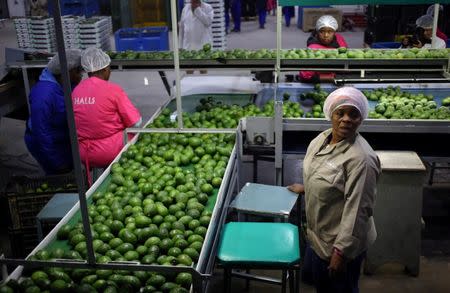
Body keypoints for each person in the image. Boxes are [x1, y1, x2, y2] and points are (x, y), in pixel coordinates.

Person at [288, 87, 381, 293]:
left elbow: (358, 210)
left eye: (353, 114)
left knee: (341, 288)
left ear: (361, 119)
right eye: (341, 113)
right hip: (317, 235)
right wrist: (307, 188)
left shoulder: (361, 160)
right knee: (322, 285)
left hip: (339, 243)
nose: (346, 119)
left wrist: (341, 252)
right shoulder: (322, 139)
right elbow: (327, 177)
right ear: (331, 114)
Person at [72, 48, 141, 183]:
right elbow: (136, 122)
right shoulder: (113, 90)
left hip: (83, 152)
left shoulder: (76, 91)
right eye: (109, 69)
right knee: (136, 134)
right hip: (110, 151)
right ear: (104, 69)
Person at [24, 49, 82, 175]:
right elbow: (41, 133)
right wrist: (57, 163)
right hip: (46, 143)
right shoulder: (43, 95)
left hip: (62, 137)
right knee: (59, 176)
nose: (81, 75)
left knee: (72, 170)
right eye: (79, 71)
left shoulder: (68, 83)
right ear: (68, 71)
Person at [299, 15, 348, 83]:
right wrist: (331, 78)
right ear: (317, 32)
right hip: (320, 81)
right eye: (322, 31)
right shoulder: (313, 48)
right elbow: (305, 75)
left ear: (334, 32)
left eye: (330, 31)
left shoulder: (339, 39)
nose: (326, 35)